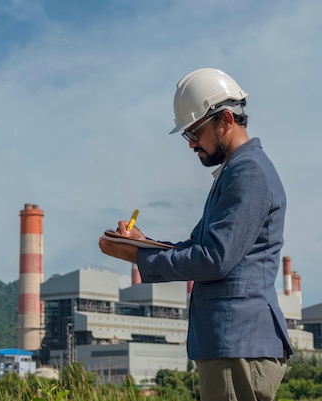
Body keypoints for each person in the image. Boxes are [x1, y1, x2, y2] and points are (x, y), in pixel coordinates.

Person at [99, 68, 293, 401]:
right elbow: (201, 248)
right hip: (234, 343)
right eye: (186, 134)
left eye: (195, 132)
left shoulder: (248, 173)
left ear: (226, 120)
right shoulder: (236, 172)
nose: (191, 143)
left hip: (238, 342)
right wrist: (143, 245)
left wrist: (140, 257)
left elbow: (214, 259)